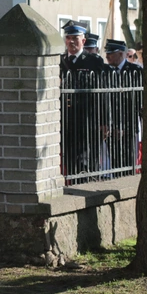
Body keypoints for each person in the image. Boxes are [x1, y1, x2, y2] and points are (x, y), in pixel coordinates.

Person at [59, 21, 107, 181]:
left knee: (86, 161)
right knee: (69, 159)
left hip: (87, 118)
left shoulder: (93, 61)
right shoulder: (60, 61)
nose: (71, 41)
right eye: (68, 38)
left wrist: (104, 120)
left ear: (83, 41)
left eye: (75, 38)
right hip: (66, 119)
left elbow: (102, 93)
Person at [104, 39, 142, 174]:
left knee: (128, 163)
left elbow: (137, 104)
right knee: (114, 164)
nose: (107, 56)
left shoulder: (135, 71)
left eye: (111, 53)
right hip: (110, 127)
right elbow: (104, 102)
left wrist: (124, 127)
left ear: (120, 54)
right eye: (106, 53)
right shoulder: (105, 71)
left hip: (129, 128)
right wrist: (107, 124)